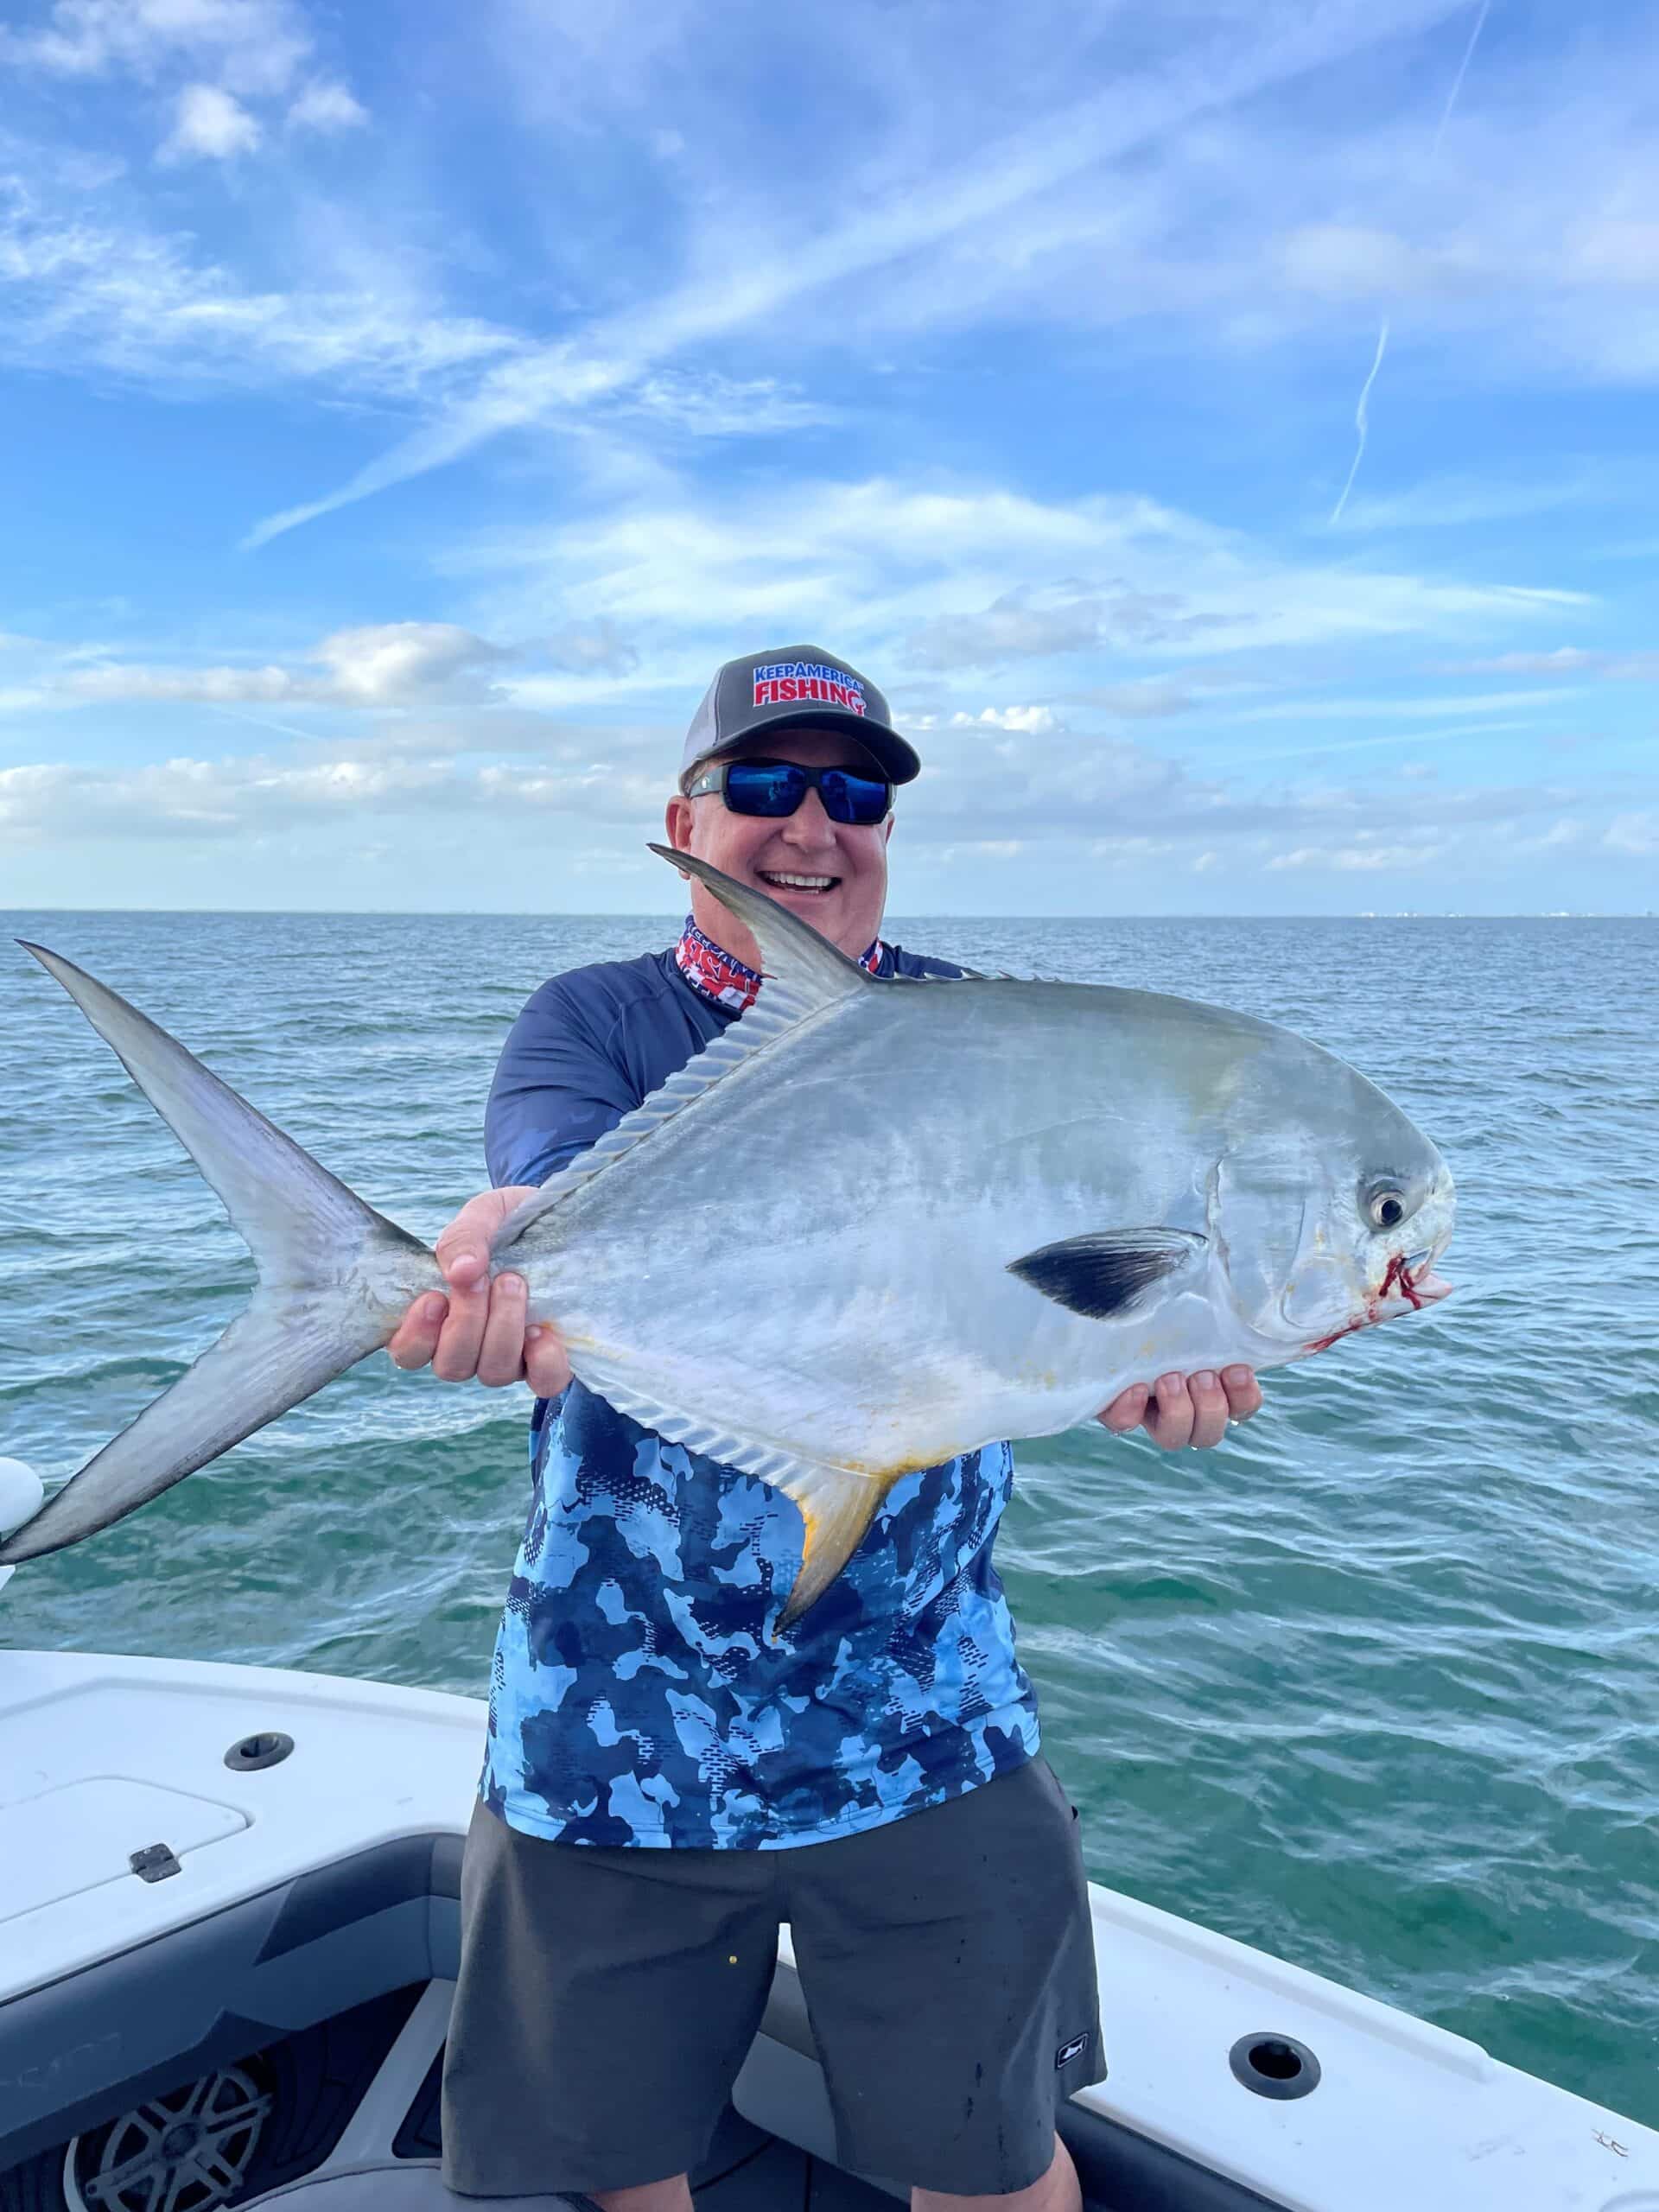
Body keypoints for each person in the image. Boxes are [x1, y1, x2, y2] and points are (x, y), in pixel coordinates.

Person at [387, 645, 1264, 2212]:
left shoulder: (988, 1042)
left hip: (924, 1716)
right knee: (616, 2165)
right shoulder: (594, 1016)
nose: (811, 824)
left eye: (853, 790)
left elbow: (1045, 1302)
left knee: (996, 2165)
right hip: (611, 1722)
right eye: (764, 785)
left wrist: (1144, 1356)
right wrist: (508, 1253)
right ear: (688, 812)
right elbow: (547, 1170)